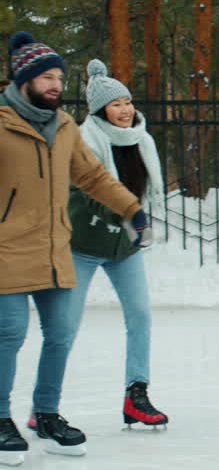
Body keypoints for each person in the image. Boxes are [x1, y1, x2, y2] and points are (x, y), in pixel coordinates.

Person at [0, 33, 150, 466]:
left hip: (54, 250)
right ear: (23, 78)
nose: (55, 85)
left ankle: (46, 414)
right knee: (8, 336)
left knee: (61, 335)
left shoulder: (63, 125)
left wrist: (132, 210)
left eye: (59, 78)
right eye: (46, 77)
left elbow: (93, 177)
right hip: (7, 250)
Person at [56, 59, 168, 432]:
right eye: (116, 104)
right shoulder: (85, 141)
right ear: (100, 109)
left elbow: (142, 193)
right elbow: (79, 193)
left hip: (124, 246)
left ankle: (136, 396)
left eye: (128, 102)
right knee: (65, 327)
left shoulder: (142, 140)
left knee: (140, 317)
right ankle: (45, 406)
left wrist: (136, 225)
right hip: (84, 245)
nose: (125, 110)